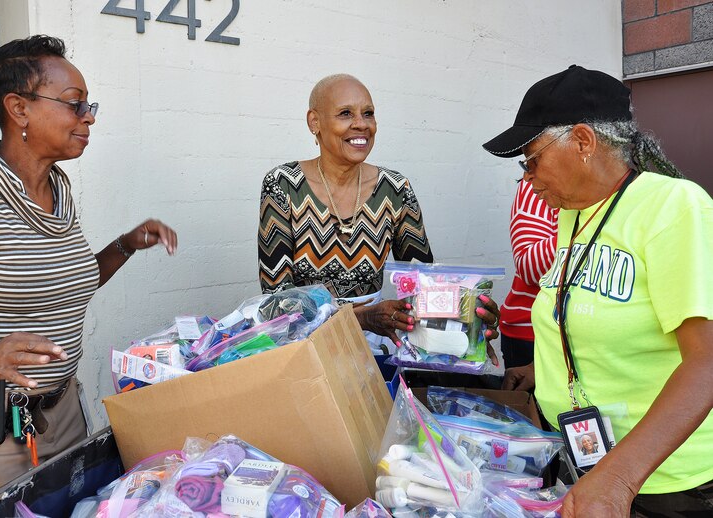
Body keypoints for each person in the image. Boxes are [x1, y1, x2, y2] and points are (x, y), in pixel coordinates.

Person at [0, 35, 178, 511]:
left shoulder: (59, 190)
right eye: (74, 104)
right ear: (18, 108)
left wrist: (125, 246)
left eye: (90, 105)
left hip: (61, 411)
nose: (89, 116)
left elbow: (67, 283)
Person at [484, 65, 713, 516]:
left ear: (584, 142)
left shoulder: (675, 208)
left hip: (662, 483)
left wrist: (621, 477)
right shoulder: (574, 214)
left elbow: (707, 360)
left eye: (532, 159)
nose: (527, 177)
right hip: (590, 463)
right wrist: (542, 373)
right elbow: (594, 314)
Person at [258, 73, 500, 352]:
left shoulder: (395, 189)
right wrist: (357, 318)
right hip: (306, 344)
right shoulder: (283, 184)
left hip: (377, 343)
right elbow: (277, 300)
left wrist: (470, 322)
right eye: (345, 113)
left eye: (368, 114)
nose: (361, 124)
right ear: (315, 122)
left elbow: (422, 281)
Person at [499, 179, 557, 369]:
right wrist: (587, 231)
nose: (527, 171)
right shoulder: (538, 181)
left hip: (593, 338)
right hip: (531, 333)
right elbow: (530, 268)